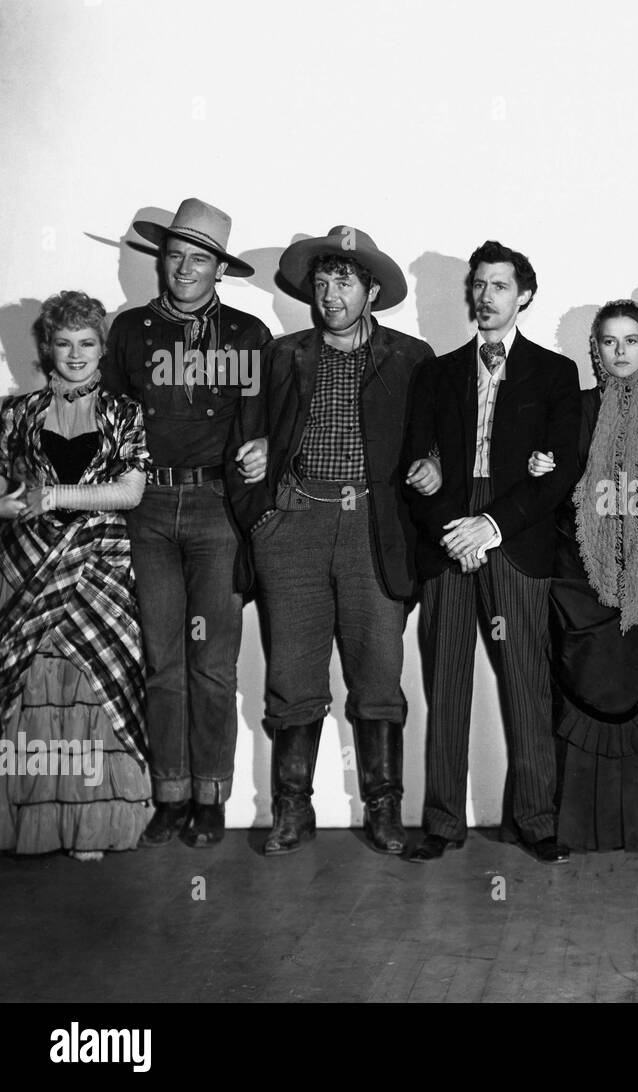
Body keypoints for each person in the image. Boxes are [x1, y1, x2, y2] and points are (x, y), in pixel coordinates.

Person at [227, 226, 435, 857]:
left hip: (373, 527)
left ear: (371, 290)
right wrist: (258, 462)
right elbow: (251, 432)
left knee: (378, 672)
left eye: (344, 281)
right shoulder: (283, 354)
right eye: (321, 282)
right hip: (294, 524)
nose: (330, 293)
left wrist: (433, 464)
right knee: (292, 673)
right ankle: (292, 809)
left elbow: (434, 436)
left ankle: (384, 808)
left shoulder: (410, 357)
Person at [405, 240, 581, 865]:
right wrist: (455, 529)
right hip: (450, 538)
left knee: (528, 685)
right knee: (446, 684)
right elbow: (415, 466)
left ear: (523, 295)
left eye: (499, 286)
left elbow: (558, 474)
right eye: (478, 285)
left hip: (515, 536)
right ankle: (443, 822)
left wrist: (491, 526)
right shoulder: (437, 372)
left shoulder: (556, 374)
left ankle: (536, 820)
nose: (485, 297)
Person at [102, 198, 270, 849]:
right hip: (147, 510)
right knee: (163, 660)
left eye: (199, 258)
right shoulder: (129, 332)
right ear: (161, 259)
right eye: (175, 255)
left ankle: (212, 797)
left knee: (214, 664)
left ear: (218, 268)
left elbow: (259, 433)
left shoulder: (248, 336)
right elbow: (112, 425)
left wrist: (258, 464)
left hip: (217, 511)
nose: (184, 269)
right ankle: (170, 793)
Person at [526, 300, 638, 851]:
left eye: (631, 341)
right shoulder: (569, 409)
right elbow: (544, 488)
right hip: (576, 576)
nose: (620, 352)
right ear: (595, 351)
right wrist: (536, 468)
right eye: (609, 342)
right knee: (582, 684)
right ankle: (575, 828)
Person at [0, 290, 152, 859]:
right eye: (63, 343)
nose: (75, 353)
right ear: (46, 347)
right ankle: (30, 824)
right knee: (32, 688)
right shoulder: (16, 413)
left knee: (97, 688)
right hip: (28, 566)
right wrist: (13, 505)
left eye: (86, 343)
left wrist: (54, 495)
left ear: (102, 347)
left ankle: (94, 828)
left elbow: (131, 492)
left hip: (101, 570)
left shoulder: (125, 413)